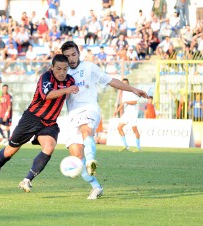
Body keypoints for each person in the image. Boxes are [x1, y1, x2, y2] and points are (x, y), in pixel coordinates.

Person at [60, 41, 148, 199]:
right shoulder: (62, 73)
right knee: (76, 158)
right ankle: (96, 187)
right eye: (67, 56)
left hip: (89, 108)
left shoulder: (89, 67)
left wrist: (133, 89)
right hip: (73, 114)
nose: (71, 59)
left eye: (73, 54)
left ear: (79, 54)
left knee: (86, 129)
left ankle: (91, 160)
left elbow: (111, 81)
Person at [0, 54, 78, 193]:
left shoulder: (70, 80)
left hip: (49, 122)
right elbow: (47, 94)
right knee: (10, 151)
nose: (62, 72)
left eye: (65, 69)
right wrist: (66, 90)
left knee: (49, 147)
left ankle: (26, 180)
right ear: (52, 67)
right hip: (31, 119)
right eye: (58, 69)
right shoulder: (46, 77)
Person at [113, 78, 141, 152]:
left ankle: (138, 148)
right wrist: (116, 111)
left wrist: (127, 102)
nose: (124, 84)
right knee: (119, 128)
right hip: (126, 114)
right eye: (123, 83)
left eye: (126, 83)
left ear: (128, 84)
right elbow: (122, 104)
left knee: (134, 130)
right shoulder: (123, 93)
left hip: (133, 114)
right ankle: (125, 145)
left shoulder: (131, 92)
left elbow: (135, 102)